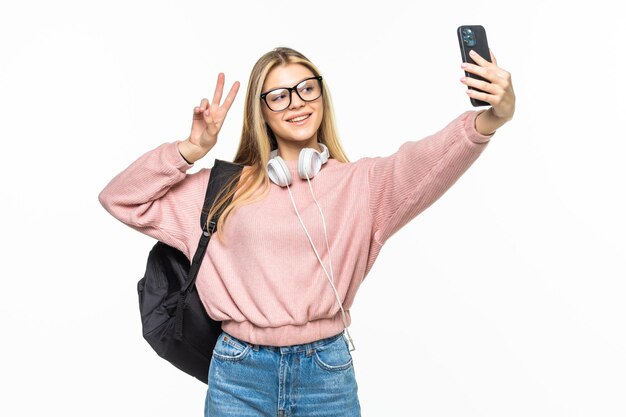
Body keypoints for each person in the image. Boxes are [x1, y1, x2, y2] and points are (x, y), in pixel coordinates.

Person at [99, 46, 515, 416]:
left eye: (306, 89)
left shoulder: (363, 186)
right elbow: (120, 198)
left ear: (322, 95)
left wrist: (493, 117)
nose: (296, 103)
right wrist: (189, 150)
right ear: (260, 112)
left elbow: (432, 157)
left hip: (326, 374)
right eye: (279, 96)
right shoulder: (221, 189)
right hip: (237, 372)